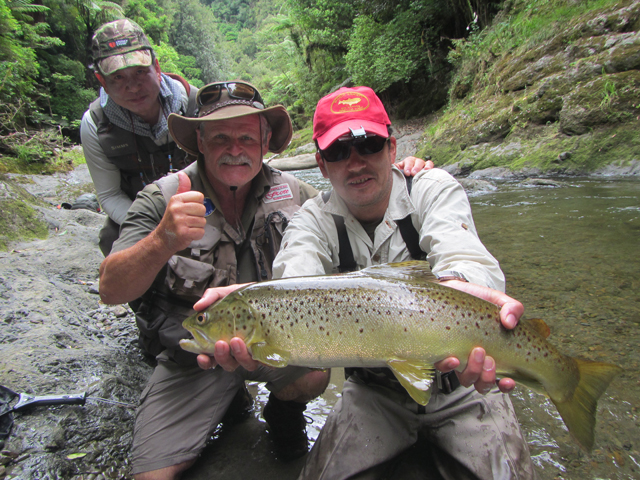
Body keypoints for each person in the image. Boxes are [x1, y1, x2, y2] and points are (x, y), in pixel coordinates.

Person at [98, 80, 429, 480]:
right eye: (220, 138)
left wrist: (404, 177)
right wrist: (162, 239)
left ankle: (283, 412)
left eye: (246, 137)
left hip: (277, 346)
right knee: (150, 476)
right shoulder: (161, 197)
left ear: (265, 141)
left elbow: (365, 214)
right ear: (199, 142)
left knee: (313, 372)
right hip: (194, 360)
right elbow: (110, 289)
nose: (235, 149)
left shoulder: (300, 195)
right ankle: (229, 402)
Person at [266, 86, 537, 479]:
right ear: (322, 165)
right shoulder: (312, 220)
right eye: (339, 151)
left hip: (461, 386)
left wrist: (461, 287)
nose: (355, 163)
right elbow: (293, 283)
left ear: (391, 149)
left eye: (368, 144)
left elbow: (465, 255)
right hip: (373, 392)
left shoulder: (431, 187)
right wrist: (264, 320)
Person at [80, 19, 198, 256]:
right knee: (111, 238)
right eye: (118, 77)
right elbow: (110, 195)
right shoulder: (94, 124)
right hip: (139, 213)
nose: (133, 87)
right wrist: (157, 231)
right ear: (102, 81)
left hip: (200, 208)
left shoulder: (195, 105)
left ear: (157, 68)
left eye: (140, 72)